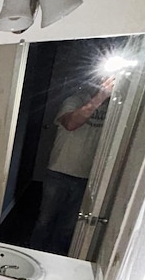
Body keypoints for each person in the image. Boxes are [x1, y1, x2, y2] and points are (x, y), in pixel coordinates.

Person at [31, 76, 115, 255]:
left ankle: (56, 265)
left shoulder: (116, 109)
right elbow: (70, 124)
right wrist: (100, 97)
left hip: (88, 176)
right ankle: (33, 257)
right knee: (45, 221)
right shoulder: (75, 100)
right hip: (59, 171)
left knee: (69, 228)